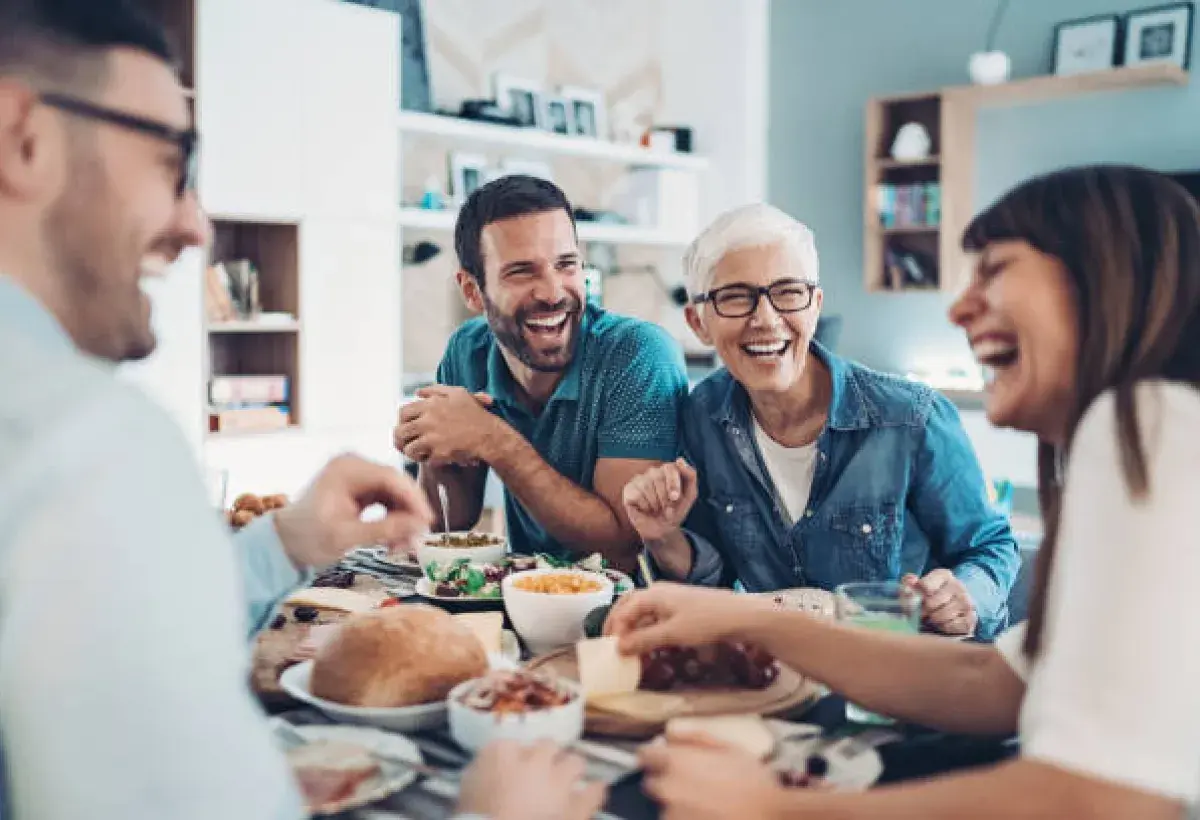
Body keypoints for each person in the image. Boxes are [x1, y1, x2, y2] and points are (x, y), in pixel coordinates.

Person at [0, 3, 599, 818]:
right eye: (171, 160)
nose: (195, 224)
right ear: (23, 139)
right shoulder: (91, 445)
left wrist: (282, 545)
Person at [606, 165, 1200, 819]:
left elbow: (1105, 802)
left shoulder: (1155, 430)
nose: (958, 308)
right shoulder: (1132, 438)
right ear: (699, 320)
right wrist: (743, 619)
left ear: (1099, 281)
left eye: (994, 271)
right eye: (737, 298)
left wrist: (771, 809)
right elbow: (994, 683)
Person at [622, 203, 1019, 638]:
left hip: (900, 666)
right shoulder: (702, 417)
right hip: (781, 666)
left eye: (788, 292)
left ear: (815, 306)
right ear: (698, 322)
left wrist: (965, 597)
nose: (765, 319)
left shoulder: (912, 418)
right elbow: (714, 582)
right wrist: (663, 537)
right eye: (735, 296)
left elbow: (991, 547)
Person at [394, 175, 689, 572]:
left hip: (640, 600)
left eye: (566, 265)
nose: (552, 292)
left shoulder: (638, 355)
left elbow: (623, 544)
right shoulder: (468, 351)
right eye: (521, 272)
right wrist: (433, 442)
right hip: (529, 592)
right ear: (472, 291)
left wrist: (493, 439)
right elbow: (451, 523)